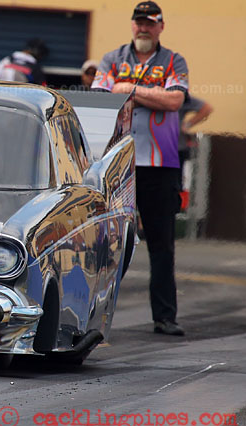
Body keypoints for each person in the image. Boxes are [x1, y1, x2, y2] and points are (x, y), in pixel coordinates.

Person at [92, 1, 189, 336]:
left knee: (162, 245)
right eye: (139, 22)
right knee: (105, 244)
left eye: (150, 22)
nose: (143, 28)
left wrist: (129, 90)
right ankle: (93, 317)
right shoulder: (112, 59)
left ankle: (165, 317)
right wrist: (151, 94)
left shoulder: (174, 61)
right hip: (117, 163)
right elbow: (101, 99)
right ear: (132, 25)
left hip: (160, 165)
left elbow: (175, 100)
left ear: (161, 26)